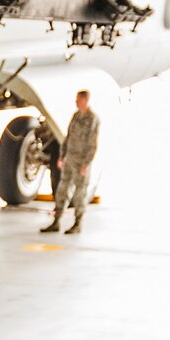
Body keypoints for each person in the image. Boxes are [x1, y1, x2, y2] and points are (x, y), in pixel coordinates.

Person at [43, 89, 100, 236]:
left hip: (81, 162)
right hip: (70, 160)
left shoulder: (92, 119)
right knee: (62, 191)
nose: (76, 102)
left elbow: (92, 144)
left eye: (78, 99)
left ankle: (78, 223)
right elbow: (68, 137)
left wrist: (86, 164)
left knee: (79, 194)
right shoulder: (76, 116)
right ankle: (56, 221)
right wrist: (62, 156)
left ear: (85, 100)